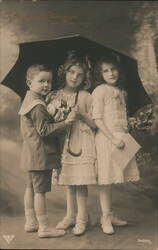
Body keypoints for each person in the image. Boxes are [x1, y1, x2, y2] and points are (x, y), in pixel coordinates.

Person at [18, 64, 75, 238]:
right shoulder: (37, 105)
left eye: (49, 81)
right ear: (29, 82)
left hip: (30, 153)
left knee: (30, 187)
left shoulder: (29, 100)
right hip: (40, 154)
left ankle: (31, 221)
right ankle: (44, 227)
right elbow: (44, 131)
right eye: (41, 81)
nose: (46, 85)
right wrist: (65, 123)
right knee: (40, 191)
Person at [46, 51, 97, 236]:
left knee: (80, 182)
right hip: (62, 141)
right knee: (68, 181)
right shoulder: (54, 94)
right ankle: (70, 215)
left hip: (81, 142)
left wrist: (82, 114)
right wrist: (59, 114)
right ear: (64, 72)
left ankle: (82, 218)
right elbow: (49, 121)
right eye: (71, 72)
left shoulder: (86, 96)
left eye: (80, 74)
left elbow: (95, 124)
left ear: (85, 77)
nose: (75, 77)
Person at [92, 56, 140, 235]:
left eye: (113, 69)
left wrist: (131, 124)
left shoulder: (122, 92)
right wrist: (112, 138)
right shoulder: (100, 90)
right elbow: (97, 118)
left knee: (112, 179)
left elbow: (121, 117)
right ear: (100, 74)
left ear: (119, 71)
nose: (111, 73)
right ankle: (105, 217)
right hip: (107, 138)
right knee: (105, 180)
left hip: (122, 137)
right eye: (106, 70)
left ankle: (109, 215)